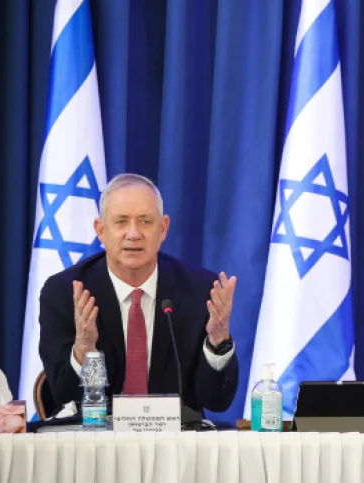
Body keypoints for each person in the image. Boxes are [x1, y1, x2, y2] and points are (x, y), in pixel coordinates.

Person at [39, 174, 238, 415]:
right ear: (100, 230)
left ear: (163, 228)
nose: (133, 234)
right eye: (121, 222)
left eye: (145, 221)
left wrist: (218, 340)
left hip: (175, 447)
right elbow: (65, 398)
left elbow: (216, 402)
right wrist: (84, 348)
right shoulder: (65, 293)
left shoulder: (199, 291)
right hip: (95, 445)